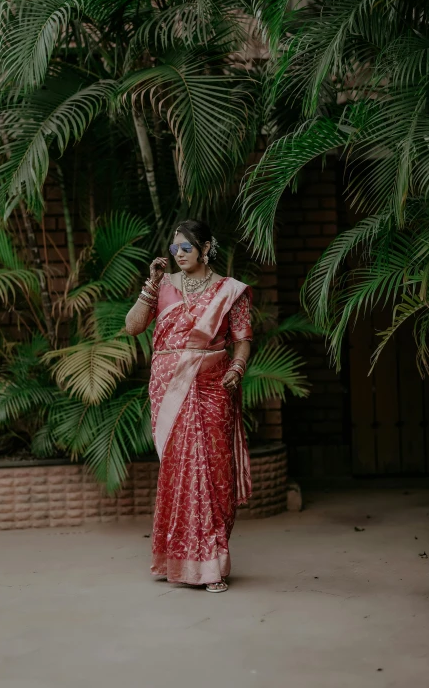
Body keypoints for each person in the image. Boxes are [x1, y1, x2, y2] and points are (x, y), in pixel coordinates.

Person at [125, 219, 252, 593]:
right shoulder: (163, 286)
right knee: (179, 471)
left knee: (214, 472)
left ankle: (213, 563)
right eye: (174, 248)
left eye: (186, 247)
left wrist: (238, 367)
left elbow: (242, 338)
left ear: (206, 247)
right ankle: (178, 557)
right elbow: (133, 327)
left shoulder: (230, 291)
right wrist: (150, 284)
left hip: (214, 384)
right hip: (169, 387)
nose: (178, 254)